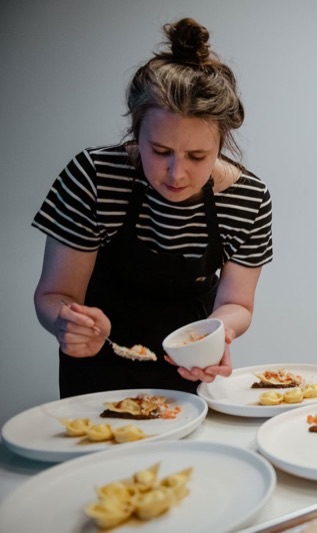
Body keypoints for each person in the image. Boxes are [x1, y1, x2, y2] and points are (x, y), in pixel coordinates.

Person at [32, 18, 273, 397]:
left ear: (221, 144)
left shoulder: (249, 198)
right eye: (160, 152)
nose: (177, 174)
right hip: (95, 370)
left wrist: (217, 335)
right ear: (136, 131)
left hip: (188, 371)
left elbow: (237, 303)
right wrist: (68, 322)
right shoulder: (93, 177)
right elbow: (54, 294)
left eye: (197, 156)